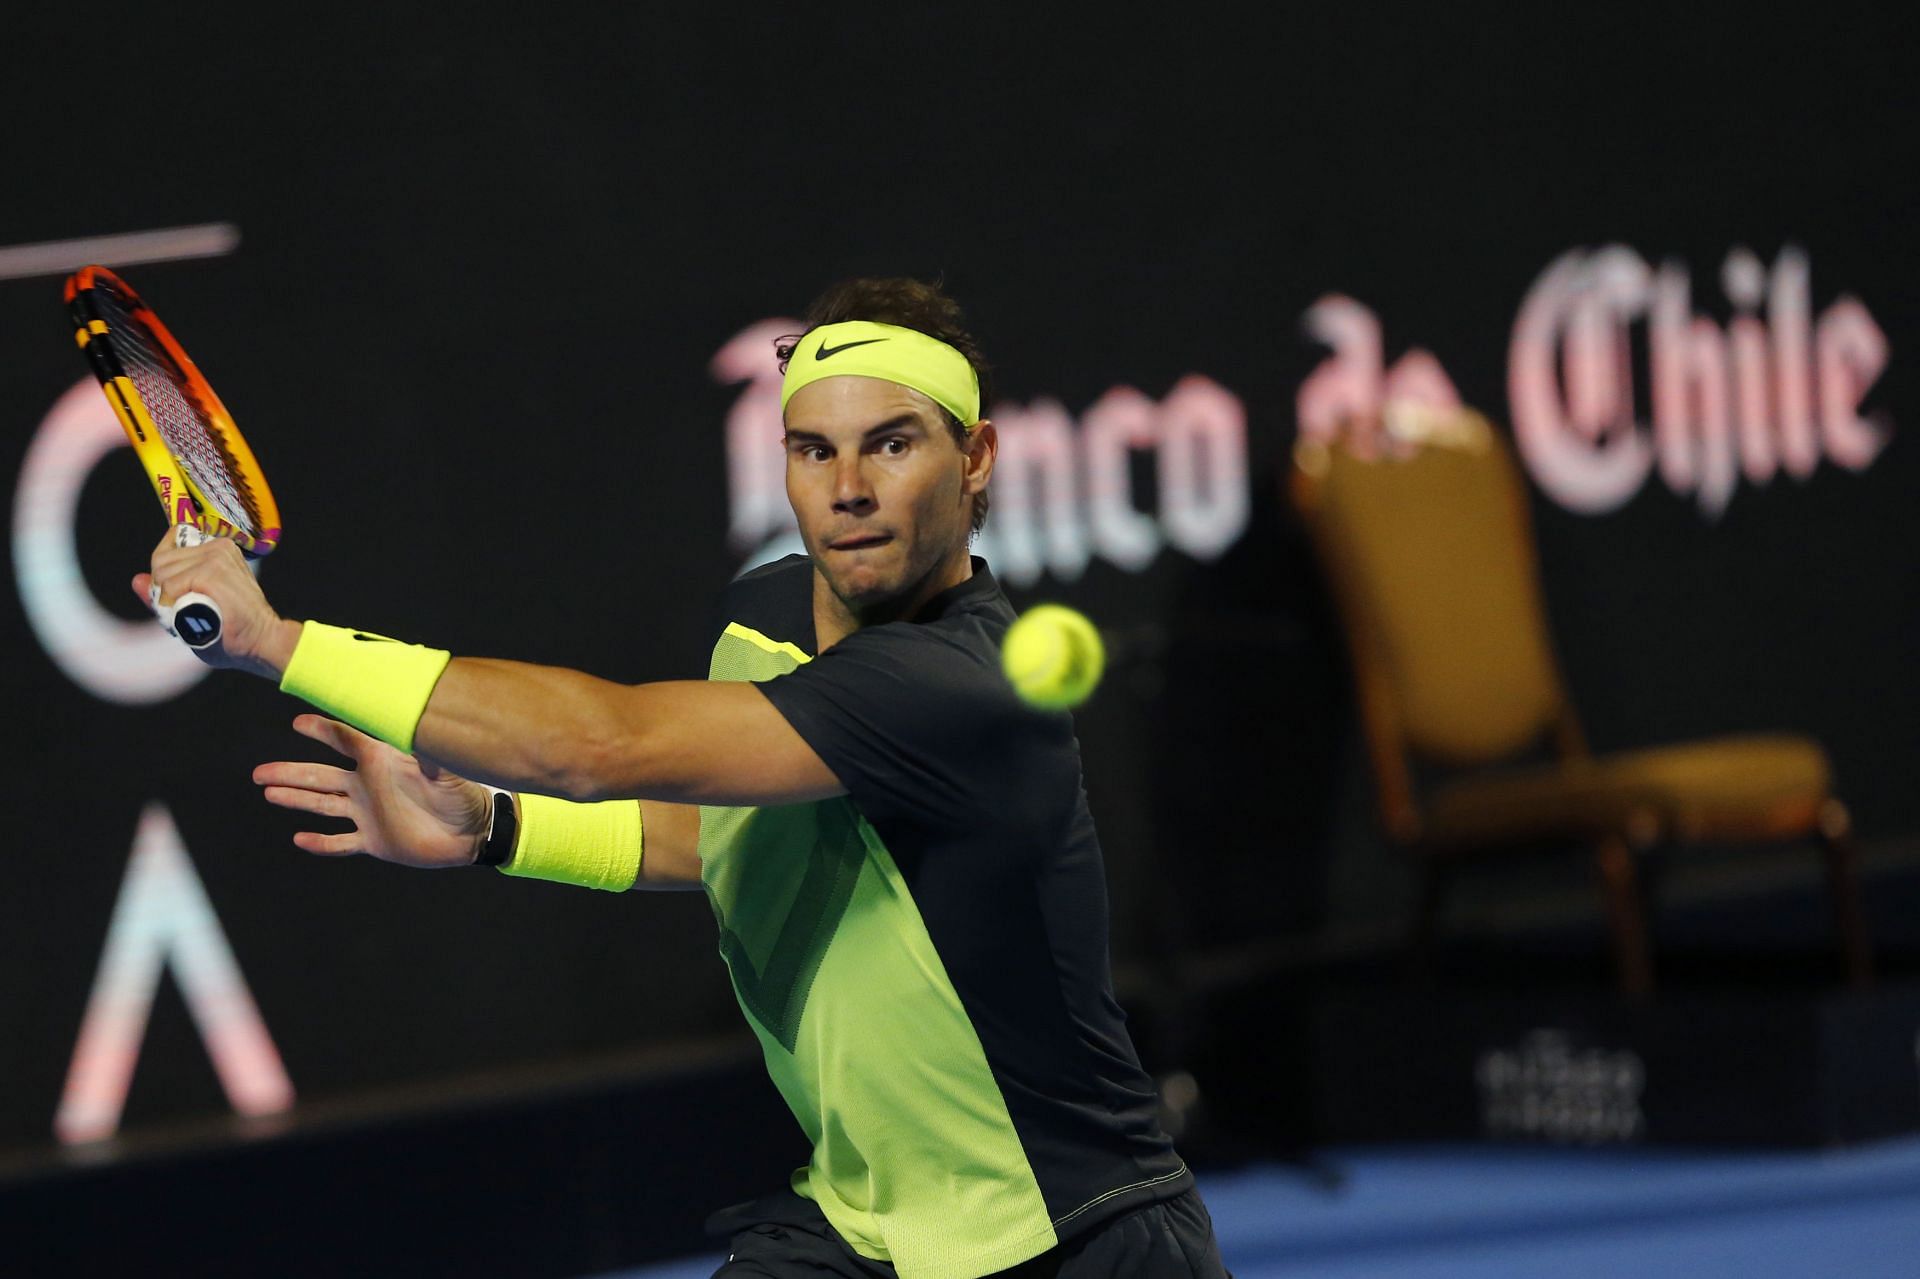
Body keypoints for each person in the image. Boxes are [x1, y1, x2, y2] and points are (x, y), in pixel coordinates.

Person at [136, 277, 1231, 1279]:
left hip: (1075, 1237)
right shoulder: (765, 612)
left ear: (977, 456)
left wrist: (279, 643)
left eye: (891, 446)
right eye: (813, 451)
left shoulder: (957, 686)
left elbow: (598, 746)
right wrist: (493, 828)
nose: (846, 489)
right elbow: (726, 842)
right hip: (860, 1228)